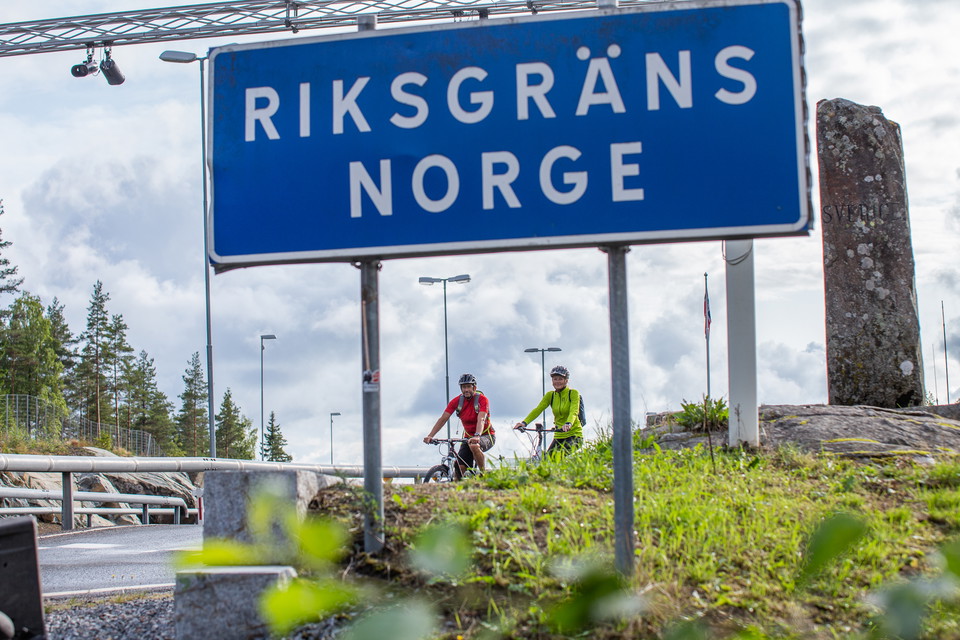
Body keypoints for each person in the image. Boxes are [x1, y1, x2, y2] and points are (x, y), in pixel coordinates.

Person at [424, 373, 496, 476]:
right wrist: (430, 435)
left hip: (486, 435)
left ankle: (483, 475)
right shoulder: (457, 401)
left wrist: (477, 436)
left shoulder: (482, 400)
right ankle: (456, 488)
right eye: (463, 387)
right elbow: (443, 419)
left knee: (475, 445)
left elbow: (481, 419)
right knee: (459, 468)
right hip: (468, 438)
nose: (466, 390)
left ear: (474, 387)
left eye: (468, 387)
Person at [514, 365, 583, 456]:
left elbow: (574, 411)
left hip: (574, 435)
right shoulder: (550, 395)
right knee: (547, 460)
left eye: (560, 379)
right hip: (559, 435)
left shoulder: (573, 393)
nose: (557, 381)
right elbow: (538, 409)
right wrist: (524, 423)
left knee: (559, 457)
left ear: (566, 380)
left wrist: (568, 423)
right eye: (555, 379)